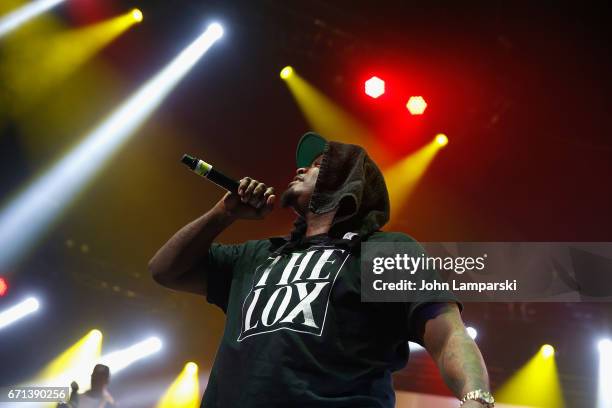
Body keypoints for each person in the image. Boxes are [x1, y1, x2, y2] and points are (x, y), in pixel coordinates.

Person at [149, 132, 493, 407]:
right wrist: (223, 214)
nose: (299, 169)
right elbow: (165, 270)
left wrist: (476, 398)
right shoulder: (259, 254)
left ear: (348, 183)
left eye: (316, 165)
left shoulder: (379, 251)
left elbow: (447, 333)